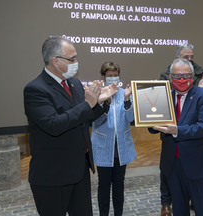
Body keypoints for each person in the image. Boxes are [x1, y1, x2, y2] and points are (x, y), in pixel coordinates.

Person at [24, 36, 118, 216]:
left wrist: (101, 102)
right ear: (55, 61)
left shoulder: (74, 83)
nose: (76, 62)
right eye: (72, 59)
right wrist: (87, 104)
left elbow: (85, 118)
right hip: (53, 176)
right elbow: (54, 125)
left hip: (79, 171)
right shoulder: (36, 89)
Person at [150, 58, 203, 216]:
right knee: (179, 211)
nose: (181, 79)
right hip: (173, 166)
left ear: (193, 76)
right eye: (177, 76)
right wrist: (147, 105)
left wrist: (177, 130)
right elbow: (153, 127)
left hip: (198, 165)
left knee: (202, 210)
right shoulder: (162, 96)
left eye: (186, 75)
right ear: (169, 77)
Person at [91, 62, 137, 216]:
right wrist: (106, 102)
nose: (112, 78)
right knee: (103, 185)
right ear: (103, 77)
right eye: (109, 76)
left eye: (115, 75)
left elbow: (131, 118)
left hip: (121, 148)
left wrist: (127, 99)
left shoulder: (125, 93)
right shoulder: (97, 95)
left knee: (119, 185)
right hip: (104, 147)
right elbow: (97, 121)